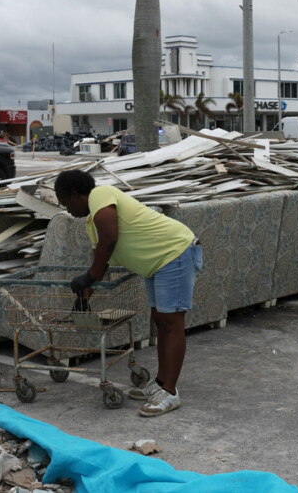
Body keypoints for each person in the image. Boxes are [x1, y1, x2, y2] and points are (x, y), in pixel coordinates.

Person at [54, 169, 201, 417]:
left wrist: (88, 277)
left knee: (171, 323)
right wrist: (82, 299)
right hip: (157, 264)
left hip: (174, 252)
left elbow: (110, 239)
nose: (67, 210)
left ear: (77, 194)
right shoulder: (92, 225)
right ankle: (160, 383)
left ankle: (171, 392)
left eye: (66, 203)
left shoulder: (100, 194)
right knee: (160, 321)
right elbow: (101, 262)